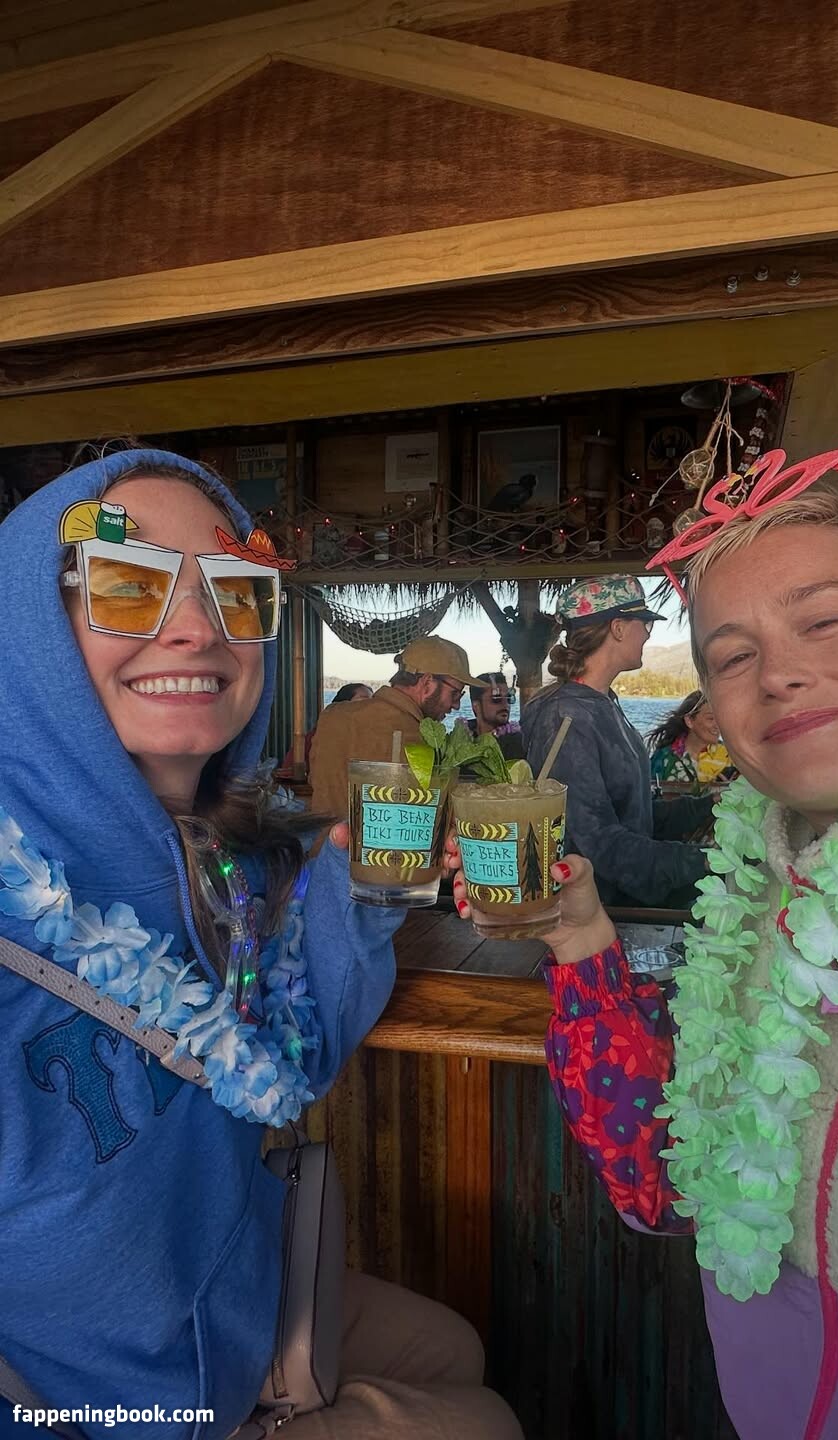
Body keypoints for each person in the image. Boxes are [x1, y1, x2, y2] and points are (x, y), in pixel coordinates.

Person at [457, 474, 838, 1438]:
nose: (779, 674)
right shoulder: (759, 888)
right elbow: (669, 1184)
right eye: (733, 656)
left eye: (823, 621)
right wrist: (582, 941)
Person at [0, 448, 522, 1440]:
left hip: (232, 1314)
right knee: (487, 1419)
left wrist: (364, 890)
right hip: (87, 1408)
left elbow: (284, 1065)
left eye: (235, 592)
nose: (197, 627)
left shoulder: (237, 871)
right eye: (125, 582)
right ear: (23, 627)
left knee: (454, 1351)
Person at [520, 576, 712, 909]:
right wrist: (701, 862)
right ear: (619, 628)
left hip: (619, 905)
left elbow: (631, 815)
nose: (648, 634)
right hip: (595, 913)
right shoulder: (565, 716)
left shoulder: (602, 703)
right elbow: (593, 842)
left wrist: (709, 807)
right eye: (645, 624)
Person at [309, 636, 481, 820]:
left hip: (324, 838)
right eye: (455, 693)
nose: (456, 705)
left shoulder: (332, 715)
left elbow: (314, 781)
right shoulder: (418, 738)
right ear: (427, 683)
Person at [647, 690, 737, 785]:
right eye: (711, 719)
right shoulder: (665, 758)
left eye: (720, 718)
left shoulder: (732, 757)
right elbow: (646, 791)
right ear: (689, 721)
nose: (718, 724)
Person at [281, 683, 373, 775]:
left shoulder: (371, 735)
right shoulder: (319, 736)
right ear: (342, 704)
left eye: (371, 702)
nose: (369, 706)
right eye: (363, 701)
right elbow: (289, 770)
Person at [466, 671, 525, 762]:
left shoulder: (518, 743)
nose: (505, 705)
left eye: (509, 698)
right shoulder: (461, 740)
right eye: (496, 699)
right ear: (476, 706)